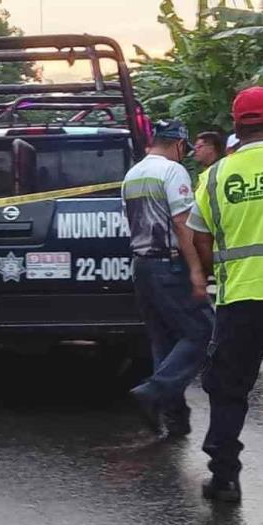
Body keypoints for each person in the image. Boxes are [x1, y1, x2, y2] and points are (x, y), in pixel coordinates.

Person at [186, 87, 263, 503]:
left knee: (229, 387)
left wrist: (217, 270)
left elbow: (200, 237)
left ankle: (225, 478)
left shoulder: (215, 176)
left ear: (236, 126)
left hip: (241, 299)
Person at [121, 120, 214, 436]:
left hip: (142, 267)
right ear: (178, 144)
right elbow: (181, 224)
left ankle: (173, 418)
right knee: (203, 330)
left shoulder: (132, 174)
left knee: (164, 341)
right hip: (169, 266)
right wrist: (197, 270)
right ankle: (154, 392)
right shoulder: (173, 172)